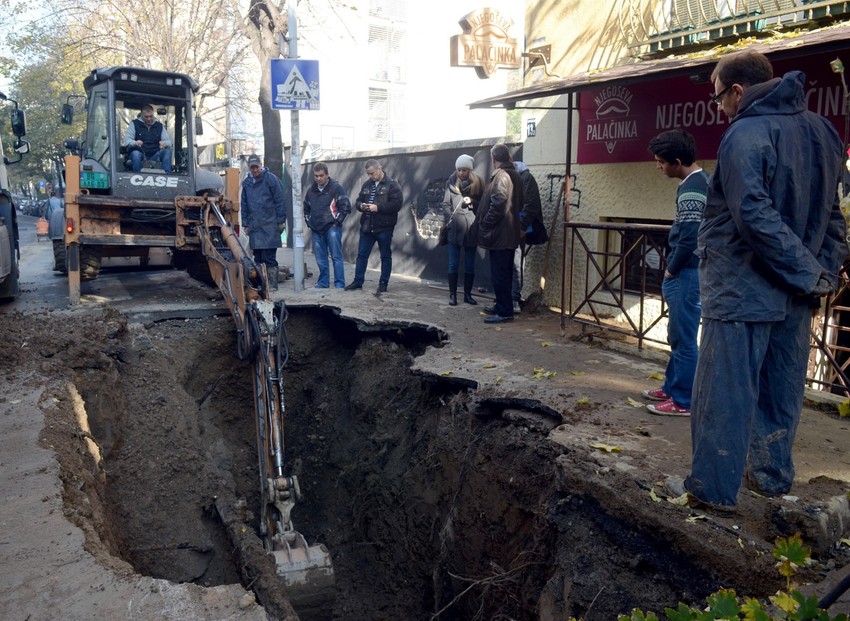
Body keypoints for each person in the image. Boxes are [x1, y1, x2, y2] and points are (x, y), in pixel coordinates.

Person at [665, 51, 847, 511]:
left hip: (742, 290)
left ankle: (711, 492)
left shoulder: (743, 132)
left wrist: (808, 272)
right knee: (780, 392)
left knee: (723, 394)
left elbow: (752, 214)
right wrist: (818, 275)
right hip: (797, 293)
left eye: (717, 94)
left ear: (738, 92)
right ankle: (770, 482)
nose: (718, 105)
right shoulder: (823, 129)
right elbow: (835, 216)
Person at [642, 130, 708, 417]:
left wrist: (671, 270)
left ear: (677, 161)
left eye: (661, 162)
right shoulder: (693, 182)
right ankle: (672, 387)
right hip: (688, 273)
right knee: (676, 335)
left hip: (688, 274)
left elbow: (690, 236)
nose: (658, 167)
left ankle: (682, 401)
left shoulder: (694, 187)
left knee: (684, 338)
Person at [477, 143, 523, 323]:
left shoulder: (502, 176)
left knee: (500, 274)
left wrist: (486, 224)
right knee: (502, 273)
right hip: (507, 232)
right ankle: (501, 305)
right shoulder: (515, 175)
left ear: (493, 159)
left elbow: (498, 204)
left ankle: (504, 311)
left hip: (500, 233)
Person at [344, 159, 403, 293]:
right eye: (368, 174)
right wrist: (361, 206)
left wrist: (378, 208)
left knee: (385, 256)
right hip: (366, 226)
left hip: (384, 227)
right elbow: (359, 200)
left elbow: (397, 205)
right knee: (362, 255)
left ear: (379, 168)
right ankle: (358, 282)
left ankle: (383, 283)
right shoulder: (367, 184)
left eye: (372, 173)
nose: (370, 176)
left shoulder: (393, 185)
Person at [441, 154, 483, 306]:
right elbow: (445, 204)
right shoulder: (450, 183)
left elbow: (484, 204)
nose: (461, 173)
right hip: (455, 229)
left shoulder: (478, 183)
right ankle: (453, 296)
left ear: (469, 170)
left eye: (464, 170)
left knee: (470, 264)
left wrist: (472, 202)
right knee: (453, 264)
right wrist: (449, 220)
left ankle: (467, 295)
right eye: (459, 170)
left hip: (471, 228)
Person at [241, 154, 287, 291]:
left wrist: (280, 221)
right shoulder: (247, 184)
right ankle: (261, 284)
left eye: (256, 167)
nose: (254, 170)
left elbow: (280, 201)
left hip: (270, 225)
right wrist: (245, 224)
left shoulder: (271, 179)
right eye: (252, 167)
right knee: (258, 258)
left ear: (261, 165)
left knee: (269, 257)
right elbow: (244, 205)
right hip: (255, 226)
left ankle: (272, 285)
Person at [304, 162, 351, 289]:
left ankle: (339, 283)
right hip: (316, 229)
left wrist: (337, 222)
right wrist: (309, 222)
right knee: (320, 258)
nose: (318, 178)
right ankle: (323, 282)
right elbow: (306, 208)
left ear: (327, 175)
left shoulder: (336, 188)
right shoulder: (311, 191)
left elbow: (345, 206)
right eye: (316, 176)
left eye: (321, 175)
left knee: (336, 256)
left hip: (332, 228)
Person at [511, 161, 547, 314]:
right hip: (513, 227)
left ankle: (514, 299)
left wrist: (522, 227)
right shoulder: (520, 178)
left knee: (516, 263)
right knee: (513, 263)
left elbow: (530, 205)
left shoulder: (526, 179)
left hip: (519, 229)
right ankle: (511, 298)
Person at [124, 104, 173, 173]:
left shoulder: (159, 126)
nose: (149, 119)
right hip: (140, 153)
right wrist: (135, 143)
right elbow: (127, 141)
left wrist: (165, 143)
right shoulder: (134, 124)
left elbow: (169, 142)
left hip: (155, 154)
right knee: (135, 154)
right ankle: (137, 176)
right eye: (146, 117)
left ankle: (167, 176)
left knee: (167, 151)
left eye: (151, 116)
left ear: (153, 114)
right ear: (141, 115)